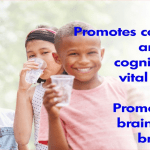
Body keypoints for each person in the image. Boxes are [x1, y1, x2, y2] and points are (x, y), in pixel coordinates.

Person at [38, 21, 145, 150]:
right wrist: (53, 116)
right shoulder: (55, 98)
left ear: (101, 54)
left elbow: (142, 141)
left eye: (91, 52)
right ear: (57, 58)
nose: (84, 61)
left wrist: (140, 115)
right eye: (74, 54)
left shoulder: (122, 89)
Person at [14, 25, 65, 150]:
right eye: (32, 56)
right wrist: (22, 90)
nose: (38, 60)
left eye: (45, 52)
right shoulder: (31, 93)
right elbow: (22, 140)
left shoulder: (78, 87)